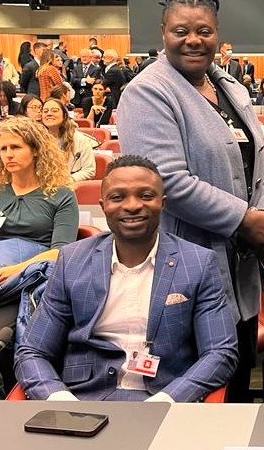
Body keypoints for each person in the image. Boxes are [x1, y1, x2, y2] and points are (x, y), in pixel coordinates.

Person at [118, 0, 264, 403]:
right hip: (184, 269)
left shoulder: (228, 85)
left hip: (240, 268)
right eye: (181, 30)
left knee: (239, 376)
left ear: (217, 34)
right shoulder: (147, 93)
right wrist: (244, 220)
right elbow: (166, 180)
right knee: (196, 389)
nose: (193, 40)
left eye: (203, 30)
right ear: (163, 33)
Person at [15, 155, 239, 402]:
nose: (132, 205)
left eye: (145, 195)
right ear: (103, 206)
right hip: (83, 397)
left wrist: (170, 399)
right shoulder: (72, 260)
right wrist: (57, 398)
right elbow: (32, 351)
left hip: (165, 396)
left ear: (162, 203)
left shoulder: (198, 262)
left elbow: (220, 352)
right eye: (117, 197)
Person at [0, 117, 78, 382]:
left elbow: (62, 251)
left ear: (36, 149)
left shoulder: (61, 195)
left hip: (31, 283)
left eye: (15, 147)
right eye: (3, 149)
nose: (8, 154)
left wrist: (14, 271)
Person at [41, 98, 96, 183]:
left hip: (70, 186)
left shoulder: (79, 139)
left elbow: (89, 170)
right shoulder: (37, 139)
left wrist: (67, 181)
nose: (49, 114)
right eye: (45, 111)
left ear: (65, 115)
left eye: (54, 111)